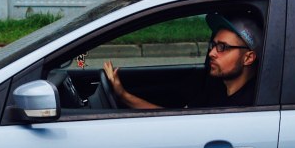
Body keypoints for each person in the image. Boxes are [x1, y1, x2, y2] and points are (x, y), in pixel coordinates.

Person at [103, 12, 262, 109]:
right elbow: (175, 120)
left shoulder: (249, 106)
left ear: (248, 58)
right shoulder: (217, 88)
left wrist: (123, 96)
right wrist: (123, 95)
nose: (212, 53)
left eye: (222, 47)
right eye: (213, 45)